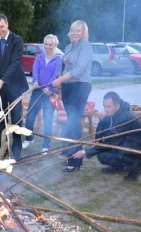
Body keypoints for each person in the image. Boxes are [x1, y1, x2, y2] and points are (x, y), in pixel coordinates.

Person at [72, 91, 141, 181]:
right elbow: (105, 134)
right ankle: (120, 167)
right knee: (103, 154)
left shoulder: (123, 119)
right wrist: (96, 142)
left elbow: (109, 143)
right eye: (104, 106)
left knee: (103, 156)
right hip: (130, 144)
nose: (105, 109)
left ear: (117, 106)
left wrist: (85, 153)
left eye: (108, 107)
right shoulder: (119, 110)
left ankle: (136, 167)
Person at [52, 20, 93, 172]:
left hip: (80, 86)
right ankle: (71, 155)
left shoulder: (86, 46)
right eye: (73, 30)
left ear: (84, 32)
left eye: (79, 31)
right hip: (69, 87)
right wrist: (61, 84)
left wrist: (61, 80)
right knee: (71, 122)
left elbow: (78, 69)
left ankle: (75, 162)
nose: (75, 33)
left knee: (74, 122)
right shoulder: (69, 47)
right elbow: (64, 68)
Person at [0, 14, 29, 160]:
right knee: (0, 118)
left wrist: (3, 79)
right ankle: (3, 147)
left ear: (7, 24)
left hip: (15, 85)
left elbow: (15, 62)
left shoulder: (17, 40)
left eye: (2, 27)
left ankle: (17, 148)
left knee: (16, 118)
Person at [23, 34, 62, 153]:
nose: (48, 46)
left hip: (50, 92)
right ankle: (29, 139)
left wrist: (49, 87)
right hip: (37, 90)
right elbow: (35, 71)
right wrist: (35, 82)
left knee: (47, 120)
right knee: (29, 117)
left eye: (50, 44)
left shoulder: (58, 59)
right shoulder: (39, 57)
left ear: (55, 45)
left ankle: (46, 145)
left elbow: (55, 74)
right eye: (46, 44)